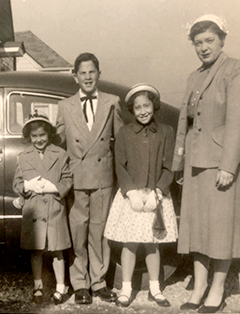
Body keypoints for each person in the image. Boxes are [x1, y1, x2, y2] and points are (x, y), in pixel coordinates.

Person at [172, 14, 240, 313]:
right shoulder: (194, 76)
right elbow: (185, 121)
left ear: (222, 40)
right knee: (196, 227)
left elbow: (236, 122)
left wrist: (228, 166)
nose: (203, 48)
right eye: (197, 43)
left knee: (219, 228)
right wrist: (179, 162)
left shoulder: (236, 69)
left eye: (209, 41)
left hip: (220, 162)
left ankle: (217, 288)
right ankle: (199, 285)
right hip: (195, 162)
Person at [56, 52, 124, 305]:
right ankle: (80, 284)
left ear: (99, 74)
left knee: (100, 231)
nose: (87, 77)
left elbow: (120, 143)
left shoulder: (112, 102)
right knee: (78, 232)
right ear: (75, 77)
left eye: (91, 72)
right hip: (76, 178)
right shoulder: (65, 106)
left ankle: (99, 282)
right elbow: (59, 144)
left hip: (103, 177)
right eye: (82, 72)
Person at [104, 84, 178, 308]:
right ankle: (126, 288)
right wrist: (131, 192)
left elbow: (169, 167)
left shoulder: (166, 132)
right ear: (131, 110)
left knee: (153, 243)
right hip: (132, 197)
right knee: (130, 243)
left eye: (147, 105)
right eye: (137, 108)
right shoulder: (124, 133)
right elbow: (120, 166)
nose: (143, 111)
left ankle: (155, 288)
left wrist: (158, 191)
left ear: (154, 106)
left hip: (156, 196)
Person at [13, 111, 73, 305]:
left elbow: (67, 178)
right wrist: (26, 187)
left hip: (54, 207)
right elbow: (17, 182)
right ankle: (38, 285)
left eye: (42, 135)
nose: (39, 140)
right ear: (29, 137)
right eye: (34, 136)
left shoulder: (61, 154)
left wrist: (55, 188)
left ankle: (60, 287)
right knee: (36, 250)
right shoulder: (22, 157)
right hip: (34, 209)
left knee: (57, 250)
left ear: (49, 135)